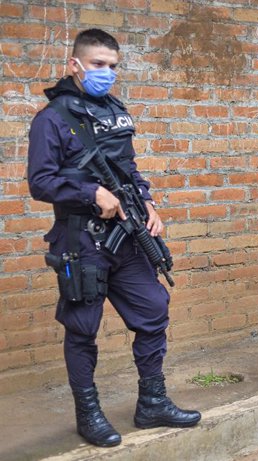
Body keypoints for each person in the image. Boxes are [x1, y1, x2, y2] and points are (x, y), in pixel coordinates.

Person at [27, 29, 200, 447]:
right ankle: (89, 414)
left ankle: (152, 402)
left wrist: (148, 204)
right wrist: (91, 192)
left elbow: (128, 169)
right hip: (80, 241)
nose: (107, 73)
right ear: (76, 65)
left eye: (113, 66)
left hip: (126, 234)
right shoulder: (52, 119)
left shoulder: (114, 111)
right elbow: (40, 182)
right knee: (83, 327)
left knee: (154, 307)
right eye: (98, 65)